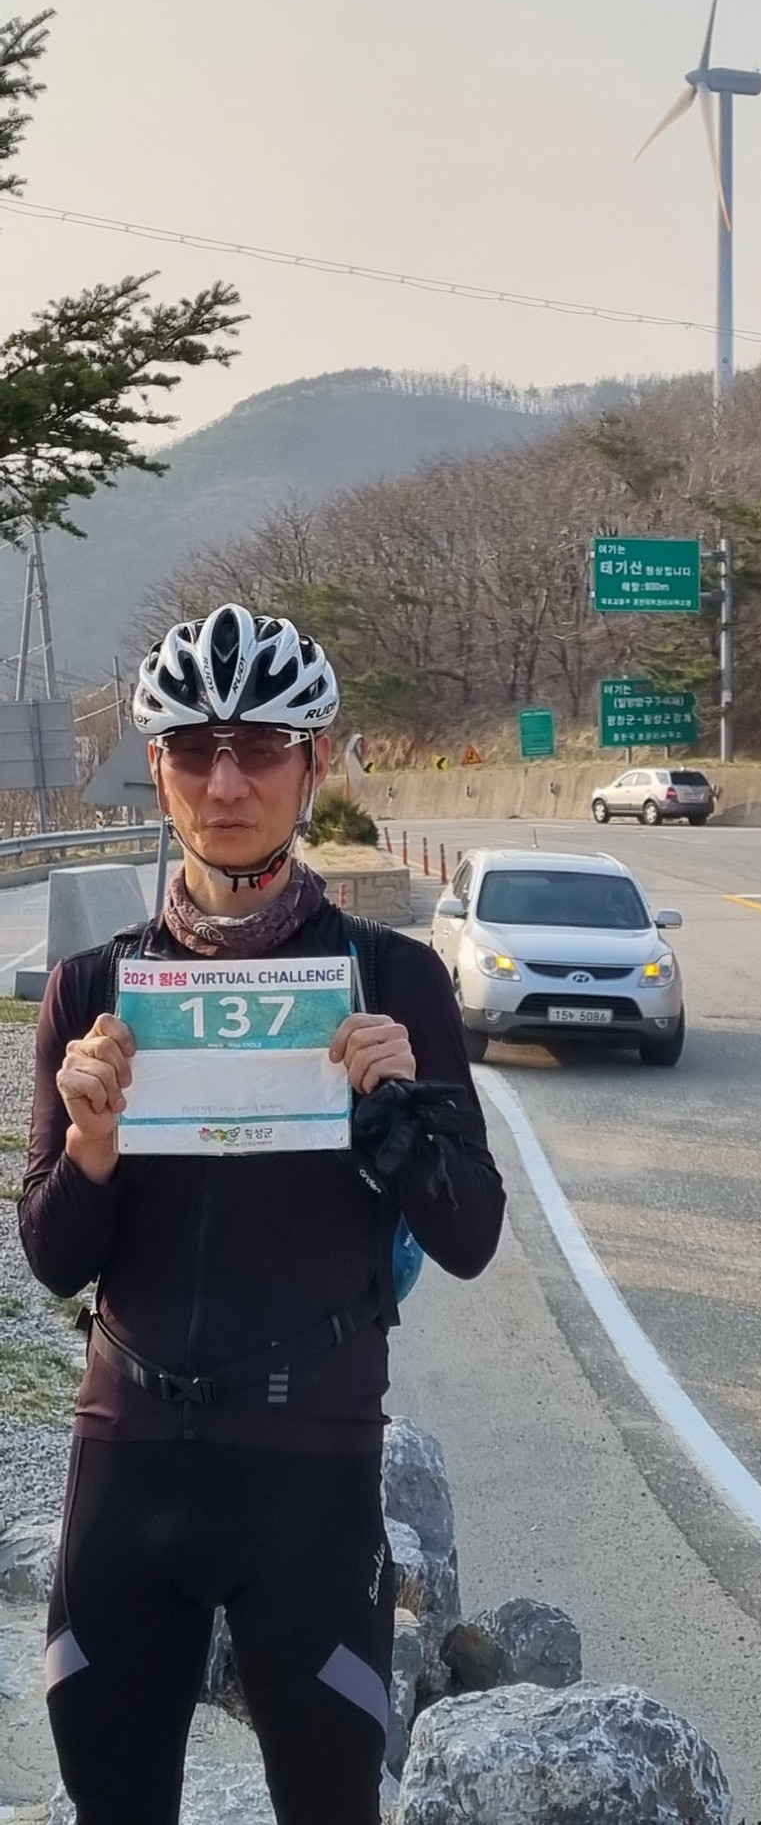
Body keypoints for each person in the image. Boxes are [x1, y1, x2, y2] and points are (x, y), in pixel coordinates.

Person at [19, 604, 505, 1825]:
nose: (225, 782)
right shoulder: (95, 987)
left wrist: (402, 1115)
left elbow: (470, 1234)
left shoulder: (390, 979)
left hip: (310, 1477)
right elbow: (53, 1258)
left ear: (314, 762)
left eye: (260, 748)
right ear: (158, 769)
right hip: (128, 1462)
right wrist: (89, 1146)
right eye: (193, 749)